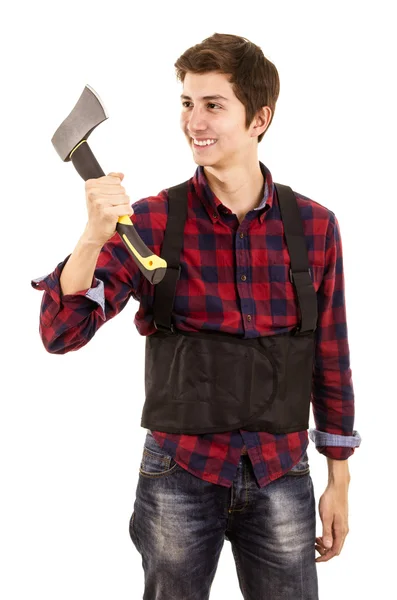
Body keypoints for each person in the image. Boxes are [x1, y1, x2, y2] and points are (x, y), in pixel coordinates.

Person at [32, 32, 361, 600]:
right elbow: (61, 333)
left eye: (213, 105)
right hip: (179, 475)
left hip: (282, 471)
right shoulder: (153, 224)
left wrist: (339, 476)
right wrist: (92, 238)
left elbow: (330, 354)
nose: (193, 121)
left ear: (260, 118)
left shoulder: (312, 226)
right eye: (186, 103)